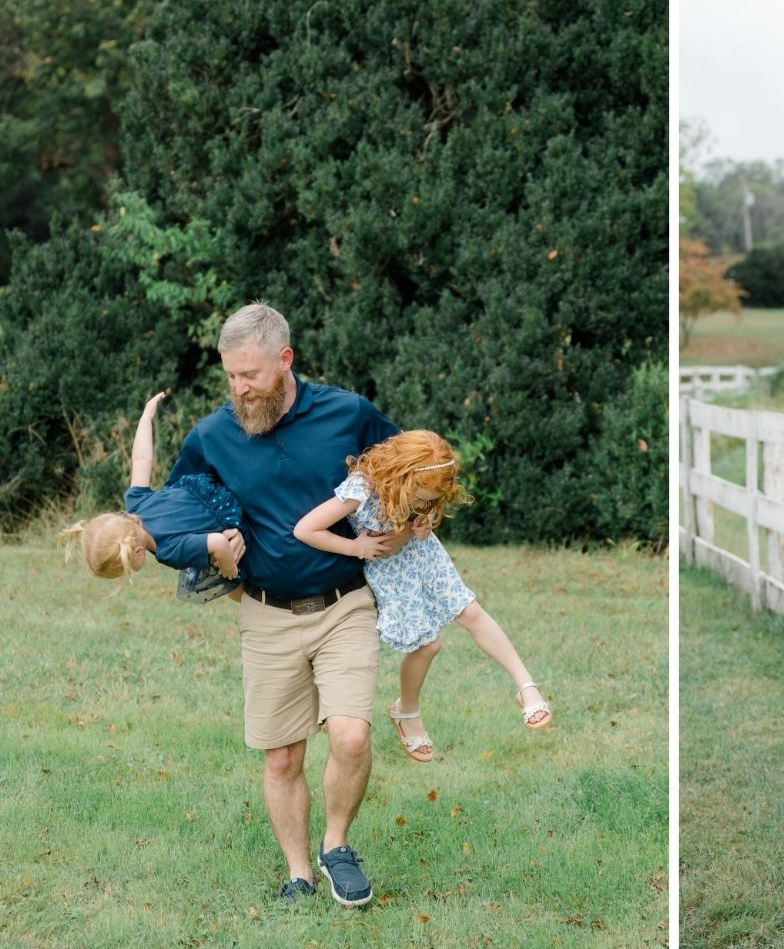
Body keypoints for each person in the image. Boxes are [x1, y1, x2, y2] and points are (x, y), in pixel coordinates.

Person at [167, 302, 400, 906]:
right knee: (281, 757)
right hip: (265, 612)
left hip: (345, 603)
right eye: (231, 376)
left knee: (350, 737)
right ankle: (299, 875)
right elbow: (173, 515)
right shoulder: (212, 436)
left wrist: (409, 526)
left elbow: (408, 470)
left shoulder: (348, 413)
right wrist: (210, 549)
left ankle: (336, 847)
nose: (240, 389)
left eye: (251, 374)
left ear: (285, 359)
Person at [294, 429, 552, 764]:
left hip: (424, 554)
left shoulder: (424, 490)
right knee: (428, 645)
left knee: (471, 612)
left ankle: (526, 686)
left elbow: (423, 511)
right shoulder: (361, 489)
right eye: (420, 497)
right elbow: (305, 529)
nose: (423, 504)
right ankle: (406, 711)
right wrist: (357, 547)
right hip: (390, 572)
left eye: (430, 499)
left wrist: (425, 520)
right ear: (401, 476)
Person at [60, 391, 246, 599]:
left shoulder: (168, 551)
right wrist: (146, 418)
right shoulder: (136, 503)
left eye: (126, 571)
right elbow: (141, 460)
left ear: (138, 553)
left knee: (232, 589)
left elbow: (219, 543)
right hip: (205, 486)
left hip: (226, 515)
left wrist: (229, 568)